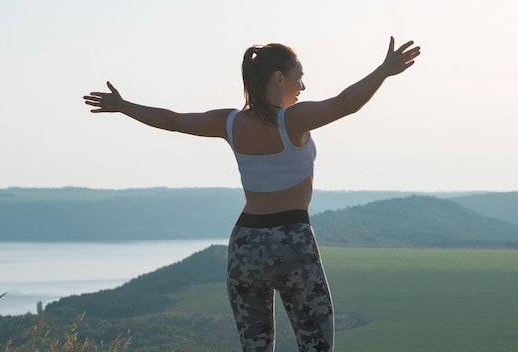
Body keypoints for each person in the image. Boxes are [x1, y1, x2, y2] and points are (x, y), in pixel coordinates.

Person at [83, 36, 420, 352]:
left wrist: (123, 106)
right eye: (298, 78)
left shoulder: (230, 123)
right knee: (316, 345)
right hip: (292, 241)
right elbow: (346, 103)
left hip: (245, 244)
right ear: (278, 78)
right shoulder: (294, 120)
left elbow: (172, 120)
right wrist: (384, 71)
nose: (303, 86)